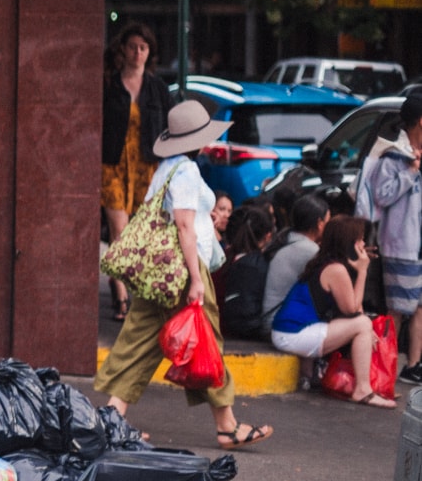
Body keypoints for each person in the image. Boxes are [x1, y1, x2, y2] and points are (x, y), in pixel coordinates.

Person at [95, 101, 273, 450]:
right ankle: (228, 427)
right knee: (204, 343)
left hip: (157, 276)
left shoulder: (166, 169)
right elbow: (184, 226)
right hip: (181, 272)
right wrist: (195, 279)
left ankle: (112, 420)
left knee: (137, 342)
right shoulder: (188, 172)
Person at [269, 217, 398, 407]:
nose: (364, 244)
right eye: (360, 239)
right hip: (292, 334)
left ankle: (367, 383)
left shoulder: (329, 263)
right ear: (350, 242)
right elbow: (352, 310)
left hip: (291, 332)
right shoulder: (335, 269)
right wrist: (363, 271)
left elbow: (351, 312)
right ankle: (363, 390)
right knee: (363, 324)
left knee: (363, 323)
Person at [100, 21, 171, 319]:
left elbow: (170, 125)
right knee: (119, 230)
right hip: (113, 164)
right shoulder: (109, 84)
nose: (137, 52)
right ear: (123, 50)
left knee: (143, 231)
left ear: (149, 52)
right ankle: (120, 295)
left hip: (146, 165)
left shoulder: (157, 89)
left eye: (143, 48)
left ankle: (139, 292)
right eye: (132, 47)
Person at [355, 92, 422, 385]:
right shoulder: (395, 155)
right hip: (401, 245)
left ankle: (414, 365)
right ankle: (387, 365)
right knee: (397, 310)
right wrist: (409, 173)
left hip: (417, 245)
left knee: (419, 307)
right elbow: (382, 195)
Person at [260, 193, 330, 334]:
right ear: (320, 224)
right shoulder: (309, 250)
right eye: (329, 222)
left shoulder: (289, 240)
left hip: (273, 319)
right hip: (279, 323)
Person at [218, 201, 276, 341]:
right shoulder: (258, 266)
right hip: (238, 338)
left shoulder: (219, 259)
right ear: (267, 236)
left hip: (216, 332)